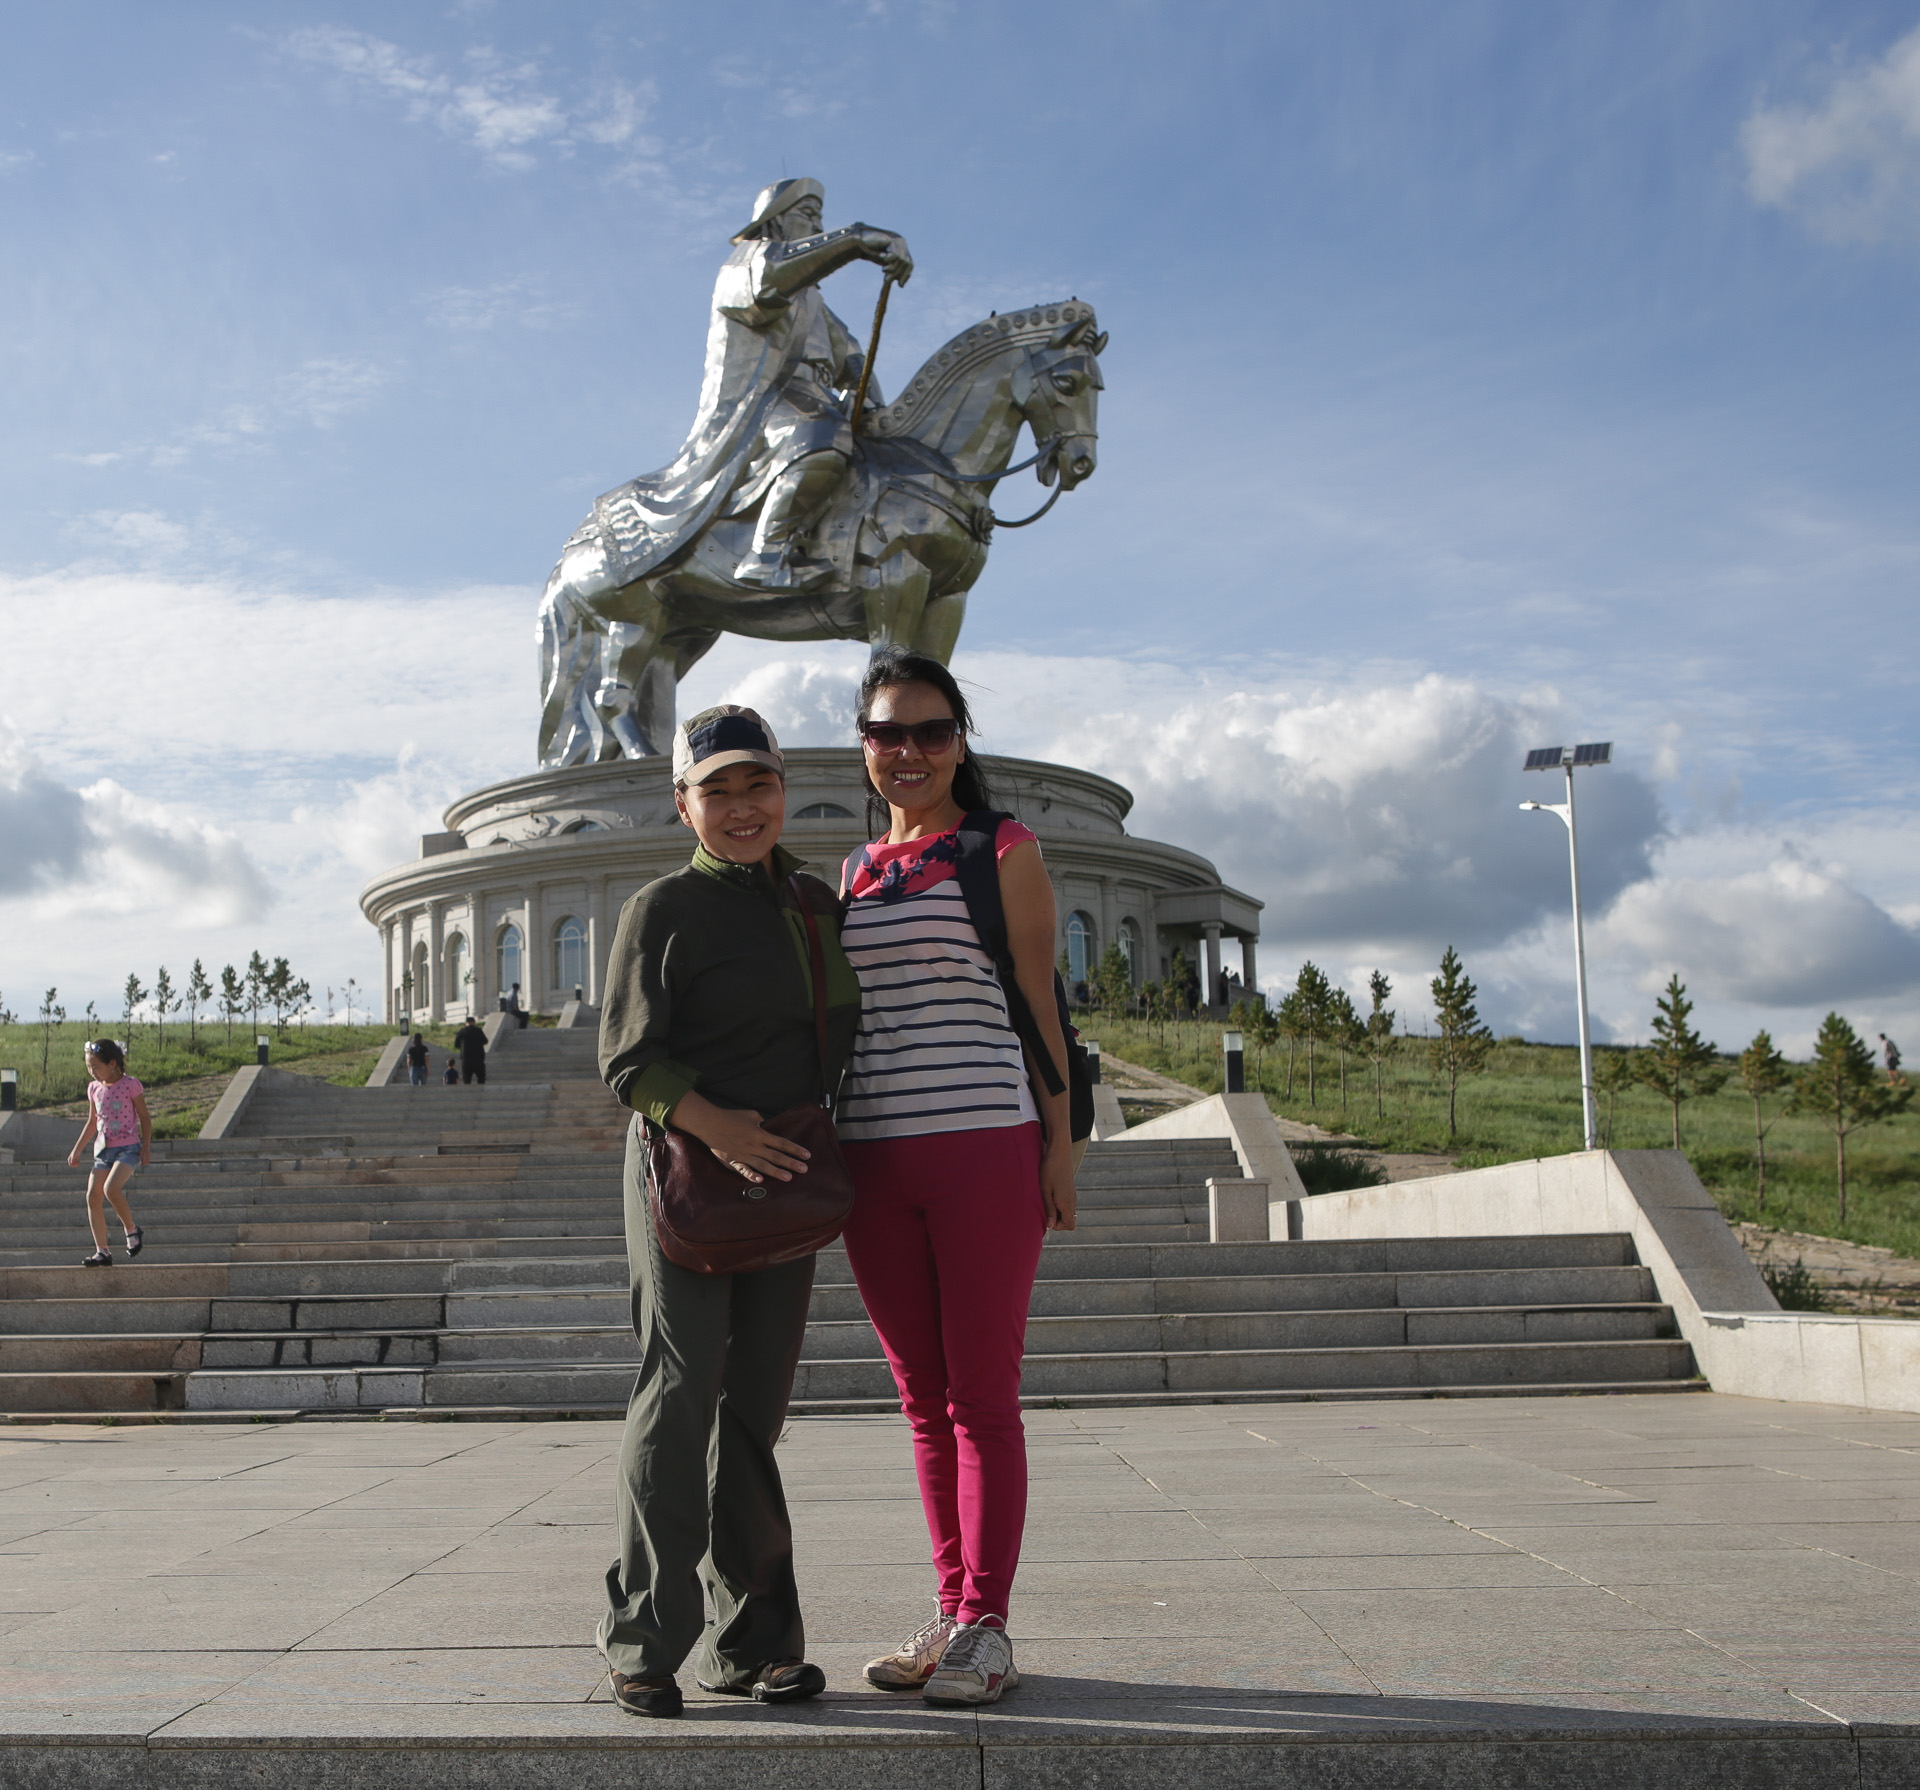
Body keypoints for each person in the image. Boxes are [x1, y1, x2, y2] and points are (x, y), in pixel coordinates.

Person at [595, 704, 860, 1719]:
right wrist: (721, 1128)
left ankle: (754, 1642)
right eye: (719, 788)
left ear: (783, 790)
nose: (742, 805)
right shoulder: (662, 908)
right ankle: (644, 1638)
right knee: (680, 1387)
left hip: (783, 1175)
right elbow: (627, 1059)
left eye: (758, 783)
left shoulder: (812, 903)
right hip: (686, 1166)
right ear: (683, 802)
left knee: (754, 1401)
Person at [833, 648, 1076, 1708]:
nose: (910, 750)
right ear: (865, 745)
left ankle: (989, 1623)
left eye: (931, 731)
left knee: (981, 1395)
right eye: (889, 732)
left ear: (960, 741)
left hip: (985, 1142)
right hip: (874, 1156)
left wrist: (1059, 1144)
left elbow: (1042, 1001)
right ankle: (949, 1611)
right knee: (921, 1402)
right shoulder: (854, 870)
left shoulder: (1001, 850)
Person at [67, 1039, 150, 1267]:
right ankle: (102, 1251)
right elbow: (92, 1122)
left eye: (96, 1067)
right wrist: (77, 1150)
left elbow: (144, 1117)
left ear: (113, 1063)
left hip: (128, 1148)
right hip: (103, 1150)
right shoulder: (94, 1088)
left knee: (110, 1189)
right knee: (92, 1195)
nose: (92, 1072)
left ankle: (132, 1230)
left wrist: (146, 1147)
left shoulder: (131, 1085)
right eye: (89, 1067)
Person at [455, 1016, 488, 1084]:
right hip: (478, 1058)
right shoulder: (478, 1031)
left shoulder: (461, 1032)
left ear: (466, 1023)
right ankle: (480, 1092)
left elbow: (456, 1044)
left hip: (466, 1058)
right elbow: (485, 1041)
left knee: (467, 1078)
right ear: (473, 1022)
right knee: (481, 1077)